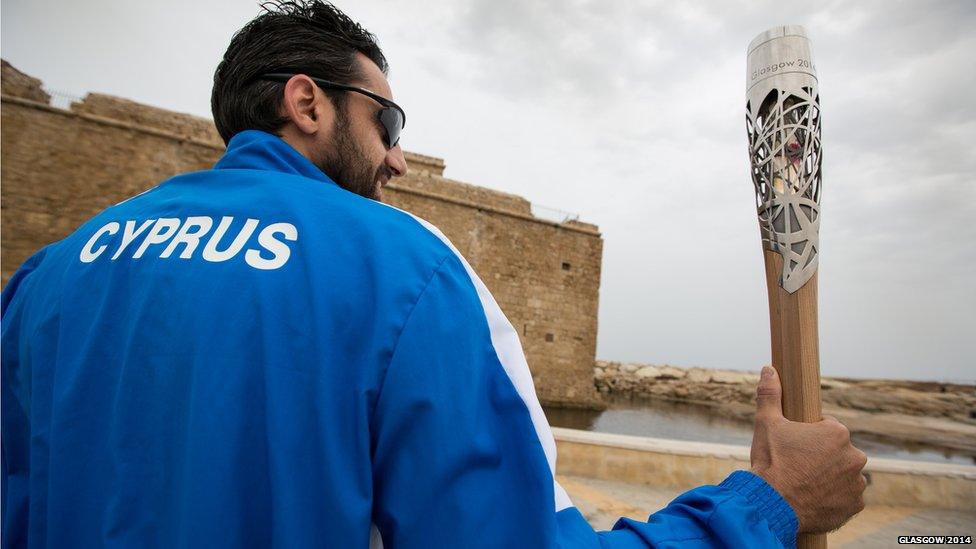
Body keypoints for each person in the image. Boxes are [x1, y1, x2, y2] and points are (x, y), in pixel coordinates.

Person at [1, 1, 868, 547]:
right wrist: (766, 503)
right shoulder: (406, 273)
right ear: (308, 103)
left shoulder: (47, 278)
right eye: (389, 120)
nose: (402, 159)